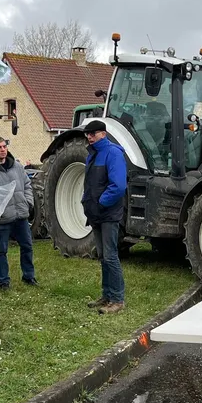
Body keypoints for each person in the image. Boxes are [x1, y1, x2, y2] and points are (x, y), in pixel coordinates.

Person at [0, 136, 36, 289]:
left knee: (27, 246)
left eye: (4, 147)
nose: (3, 150)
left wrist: (28, 202)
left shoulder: (17, 167)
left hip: (21, 215)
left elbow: (28, 185)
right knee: (1, 251)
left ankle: (29, 276)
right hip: (2, 219)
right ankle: (3, 281)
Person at [80, 120, 127, 314]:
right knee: (102, 256)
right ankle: (107, 295)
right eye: (88, 134)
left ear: (103, 134)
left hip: (108, 213)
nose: (89, 137)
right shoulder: (91, 155)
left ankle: (117, 299)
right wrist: (88, 203)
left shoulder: (113, 153)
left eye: (93, 133)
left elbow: (118, 186)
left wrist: (100, 203)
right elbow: (90, 184)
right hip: (96, 213)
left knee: (110, 256)